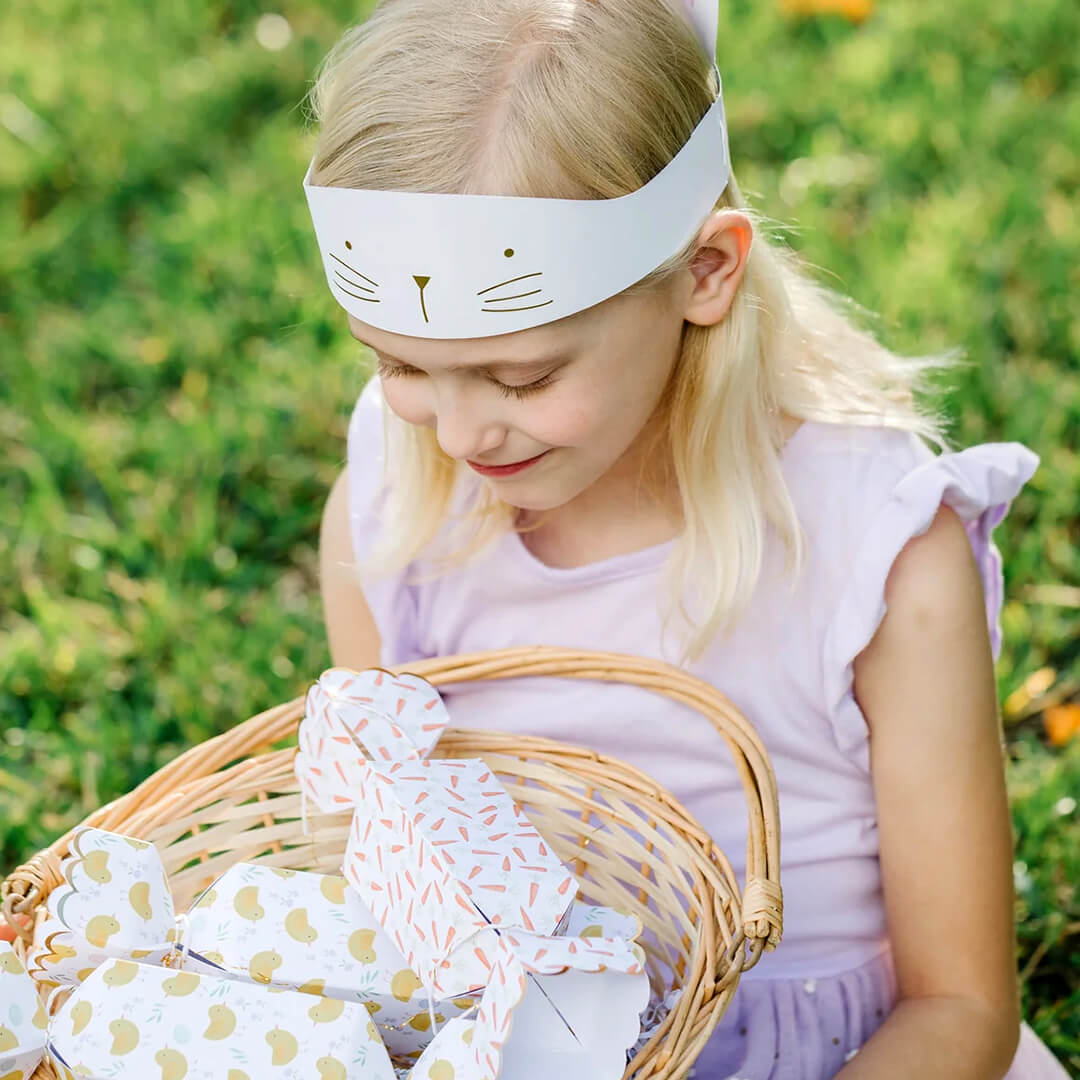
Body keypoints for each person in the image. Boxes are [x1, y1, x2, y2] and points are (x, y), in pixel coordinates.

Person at [306, 1, 1068, 1077]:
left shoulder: (876, 551)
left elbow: (963, 1007)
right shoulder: (400, 494)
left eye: (524, 375)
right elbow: (390, 865)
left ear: (704, 274)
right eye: (400, 363)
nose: (462, 429)